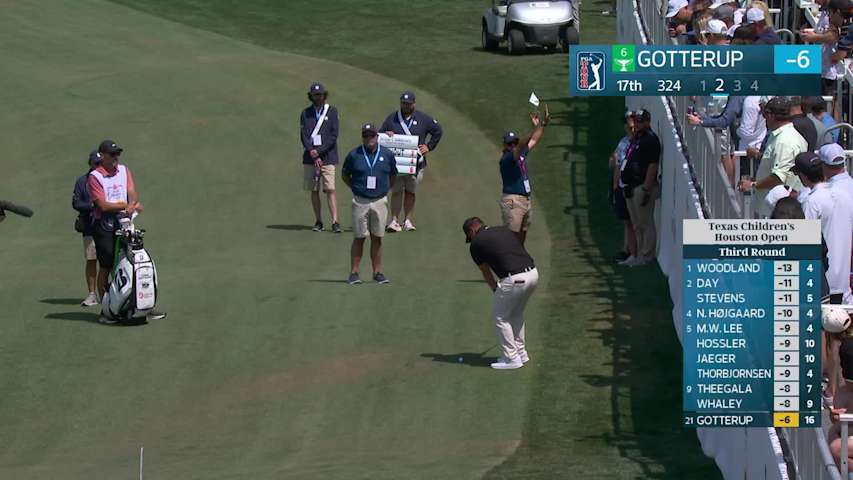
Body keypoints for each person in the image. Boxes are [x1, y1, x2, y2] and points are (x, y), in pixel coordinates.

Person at [87, 140, 166, 323]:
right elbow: (102, 205)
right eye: (112, 154)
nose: (116, 158)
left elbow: (132, 191)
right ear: (103, 156)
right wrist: (125, 205)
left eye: (117, 154)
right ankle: (107, 311)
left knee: (135, 261)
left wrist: (131, 205)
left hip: (125, 224)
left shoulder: (124, 170)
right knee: (106, 267)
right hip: (105, 226)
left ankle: (143, 306)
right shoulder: (95, 177)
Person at [463, 216, 539, 370]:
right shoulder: (503, 230)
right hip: (533, 274)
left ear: (472, 230)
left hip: (515, 279)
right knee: (515, 313)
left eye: (469, 236)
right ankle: (521, 353)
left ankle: (512, 358)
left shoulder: (476, 244)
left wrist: (495, 289)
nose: (471, 239)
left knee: (500, 316)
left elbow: (486, 272)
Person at [342, 123, 397, 285]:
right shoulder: (354, 155)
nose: (369, 138)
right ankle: (354, 273)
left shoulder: (387, 154)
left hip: (379, 200)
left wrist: (385, 189)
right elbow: (345, 175)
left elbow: (393, 175)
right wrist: (356, 189)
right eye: (365, 135)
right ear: (362, 137)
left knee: (377, 237)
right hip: (360, 200)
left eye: (371, 135)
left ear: (377, 137)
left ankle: (377, 272)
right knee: (359, 237)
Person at [381, 91, 443, 232]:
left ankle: (408, 220)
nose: (406, 105)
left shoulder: (423, 118)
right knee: (396, 191)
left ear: (414, 104)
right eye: (403, 103)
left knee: (410, 191)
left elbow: (438, 131)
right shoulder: (392, 118)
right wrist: (387, 134)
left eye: (408, 103)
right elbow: (381, 134)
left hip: (416, 164)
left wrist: (429, 146)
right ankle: (394, 220)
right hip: (397, 164)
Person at [796, 150, 853, 304]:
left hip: (821, 282)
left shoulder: (811, 202)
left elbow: (804, 244)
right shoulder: (845, 196)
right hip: (842, 281)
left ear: (802, 176)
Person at [738, 97, 806, 217]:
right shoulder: (781, 136)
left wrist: (752, 184)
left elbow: (779, 177)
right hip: (774, 207)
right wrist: (758, 156)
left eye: (764, 114)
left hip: (777, 210)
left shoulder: (784, 141)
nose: (764, 119)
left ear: (771, 116)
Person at [498, 105, 549, 246]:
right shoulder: (507, 158)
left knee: (522, 234)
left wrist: (542, 124)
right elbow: (523, 144)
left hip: (525, 200)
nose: (513, 145)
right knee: (511, 237)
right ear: (505, 145)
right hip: (513, 201)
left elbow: (534, 141)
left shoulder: (519, 154)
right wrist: (534, 128)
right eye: (510, 143)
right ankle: (508, 262)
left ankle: (519, 260)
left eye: (514, 142)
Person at [299, 82, 341, 233]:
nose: (318, 97)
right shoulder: (305, 113)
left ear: (324, 95)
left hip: (328, 157)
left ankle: (335, 221)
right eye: (315, 94)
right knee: (314, 190)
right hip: (310, 158)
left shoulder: (332, 111)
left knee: (330, 189)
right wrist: (312, 151)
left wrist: (320, 151)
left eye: (320, 94)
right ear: (311, 96)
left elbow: (334, 135)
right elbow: (303, 136)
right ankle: (318, 221)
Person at [621, 109, 661, 266]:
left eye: (639, 121)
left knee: (645, 222)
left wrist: (646, 188)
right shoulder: (637, 137)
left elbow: (653, 166)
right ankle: (639, 255)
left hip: (641, 186)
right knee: (637, 224)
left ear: (647, 122)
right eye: (635, 121)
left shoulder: (650, 139)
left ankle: (647, 255)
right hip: (630, 186)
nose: (636, 124)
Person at [73, 150, 101, 306]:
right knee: (91, 259)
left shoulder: (106, 178)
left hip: (107, 227)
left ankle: (110, 293)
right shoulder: (81, 181)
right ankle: (92, 294)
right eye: (95, 163)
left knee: (109, 261)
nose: (98, 166)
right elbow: (76, 203)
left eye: (100, 163)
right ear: (90, 164)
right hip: (89, 227)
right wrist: (92, 205)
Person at [610, 113, 637, 265]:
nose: (629, 128)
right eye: (627, 125)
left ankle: (633, 253)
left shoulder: (638, 143)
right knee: (627, 222)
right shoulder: (623, 142)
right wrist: (615, 188)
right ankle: (627, 250)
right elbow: (615, 165)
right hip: (621, 186)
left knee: (633, 222)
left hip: (632, 187)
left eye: (631, 125)